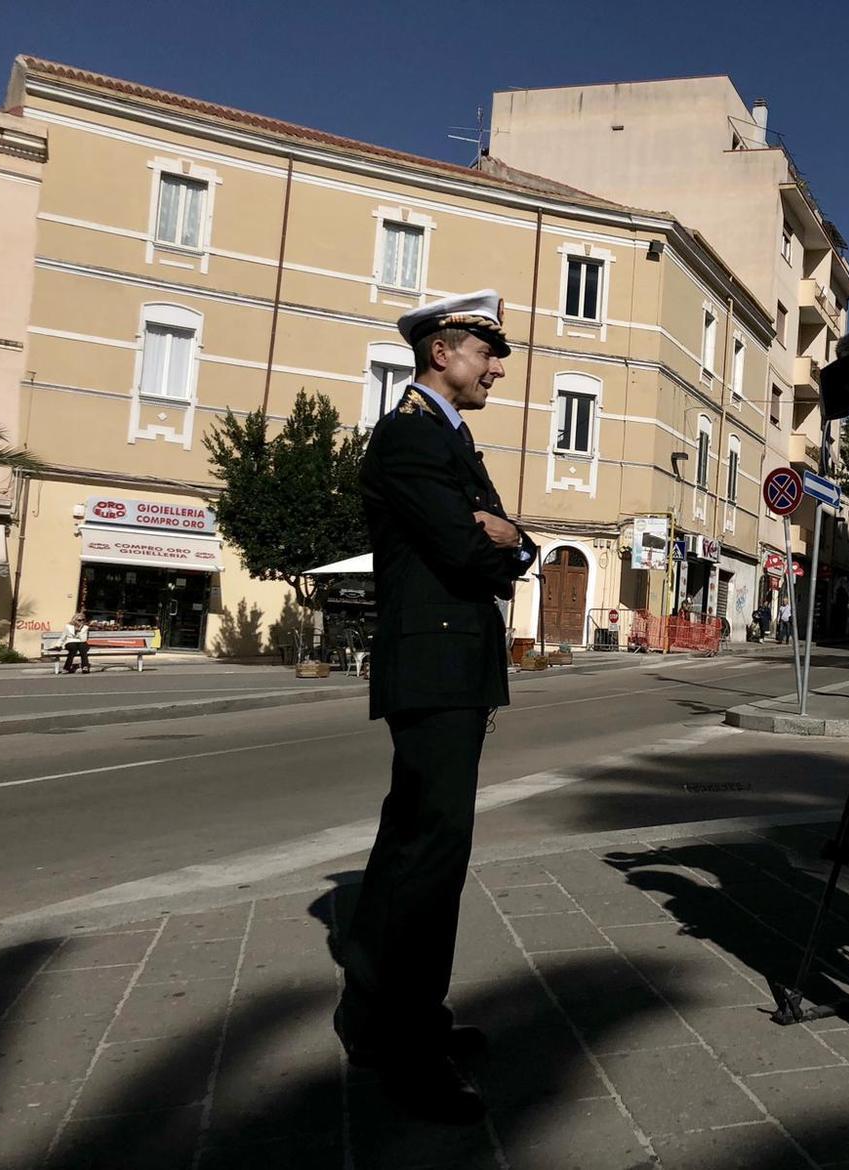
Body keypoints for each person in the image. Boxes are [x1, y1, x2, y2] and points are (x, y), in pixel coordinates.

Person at [334, 290, 537, 1125]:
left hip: (454, 663)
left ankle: (400, 1017)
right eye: (488, 353)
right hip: (434, 666)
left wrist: (509, 537)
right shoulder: (410, 435)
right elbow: (466, 545)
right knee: (428, 852)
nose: (496, 369)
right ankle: (402, 1047)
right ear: (444, 349)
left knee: (420, 844)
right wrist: (497, 540)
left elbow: (508, 544)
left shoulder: (448, 435)